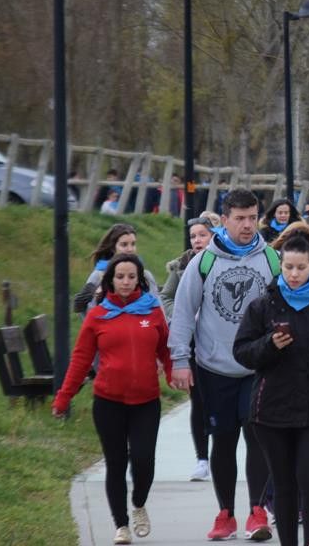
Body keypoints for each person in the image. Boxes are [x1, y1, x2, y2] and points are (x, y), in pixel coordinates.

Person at [234, 236, 309, 546]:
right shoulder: (264, 305)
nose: (293, 274)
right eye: (288, 267)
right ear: (280, 266)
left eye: (300, 267)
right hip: (271, 409)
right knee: (284, 483)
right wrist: (269, 345)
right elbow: (242, 351)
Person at [168, 189, 276, 542]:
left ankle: (258, 511)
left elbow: (286, 309)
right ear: (224, 220)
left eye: (252, 217)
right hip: (214, 368)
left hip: (258, 367)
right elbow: (183, 312)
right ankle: (226, 513)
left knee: (258, 438)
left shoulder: (271, 260)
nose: (247, 225)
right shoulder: (204, 262)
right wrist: (180, 360)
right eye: (240, 218)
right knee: (223, 441)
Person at [53, 254, 172, 545]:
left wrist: (175, 376)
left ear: (139, 280)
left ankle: (139, 503)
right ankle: (121, 525)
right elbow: (81, 359)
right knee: (116, 463)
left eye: (132, 277)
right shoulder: (97, 315)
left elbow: (166, 351)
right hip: (108, 402)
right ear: (110, 280)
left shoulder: (152, 311)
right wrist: (63, 397)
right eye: (120, 277)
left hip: (146, 401)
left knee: (143, 460)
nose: (126, 282)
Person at [160, 212, 222, 481]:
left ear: (214, 237)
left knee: (221, 401)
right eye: (193, 236)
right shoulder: (181, 266)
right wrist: (182, 314)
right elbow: (165, 296)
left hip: (221, 342)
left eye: (202, 235)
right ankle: (201, 458)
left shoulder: (224, 263)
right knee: (198, 401)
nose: (197, 240)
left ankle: (221, 453)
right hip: (195, 342)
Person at [73, 223, 160, 318]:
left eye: (133, 244)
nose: (130, 249)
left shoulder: (145, 275)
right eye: (124, 245)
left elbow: (159, 311)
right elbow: (88, 314)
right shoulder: (98, 276)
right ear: (113, 248)